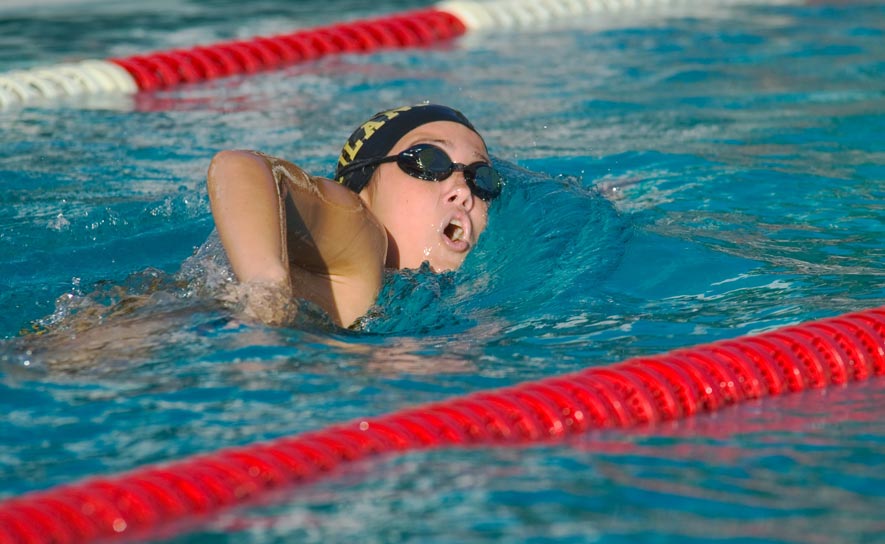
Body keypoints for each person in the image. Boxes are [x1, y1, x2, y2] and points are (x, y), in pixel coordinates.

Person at [207, 103, 503, 328]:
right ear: (361, 193)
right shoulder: (362, 237)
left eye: (481, 177)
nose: (463, 190)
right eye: (429, 160)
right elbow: (238, 166)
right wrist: (265, 290)